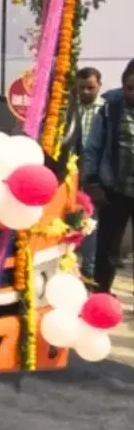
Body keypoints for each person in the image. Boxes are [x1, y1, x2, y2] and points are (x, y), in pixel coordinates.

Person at [82, 64, 134, 294]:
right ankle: (101, 296)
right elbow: (92, 148)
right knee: (107, 250)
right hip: (114, 191)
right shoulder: (109, 109)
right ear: (123, 86)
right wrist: (93, 182)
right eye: (130, 88)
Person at [74, 67, 104, 279]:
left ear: (99, 86)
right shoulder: (70, 109)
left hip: (97, 171)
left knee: (92, 218)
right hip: (73, 168)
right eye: (81, 87)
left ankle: (89, 267)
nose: (85, 92)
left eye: (90, 88)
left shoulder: (105, 110)